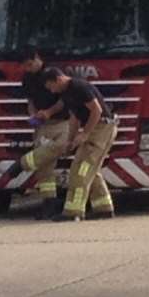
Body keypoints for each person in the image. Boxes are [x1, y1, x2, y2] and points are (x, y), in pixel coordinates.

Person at [38, 66, 117, 221]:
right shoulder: (66, 93)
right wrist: (70, 140)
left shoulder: (79, 87)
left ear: (59, 79)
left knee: (80, 169)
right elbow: (74, 118)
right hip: (95, 128)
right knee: (91, 170)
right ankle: (104, 208)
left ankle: (73, 212)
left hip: (101, 128)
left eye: (52, 87)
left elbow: (97, 110)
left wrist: (85, 134)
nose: (52, 91)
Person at [16, 49, 70, 213]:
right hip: (43, 125)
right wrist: (33, 115)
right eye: (25, 66)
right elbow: (31, 100)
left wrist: (48, 112)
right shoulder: (27, 78)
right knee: (44, 167)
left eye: (30, 64)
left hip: (62, 121)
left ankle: (22, 164)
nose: (28, 68)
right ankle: (49, 202)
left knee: (58, 148)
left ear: (37, 58)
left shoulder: (55, 72)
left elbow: (64, 100)